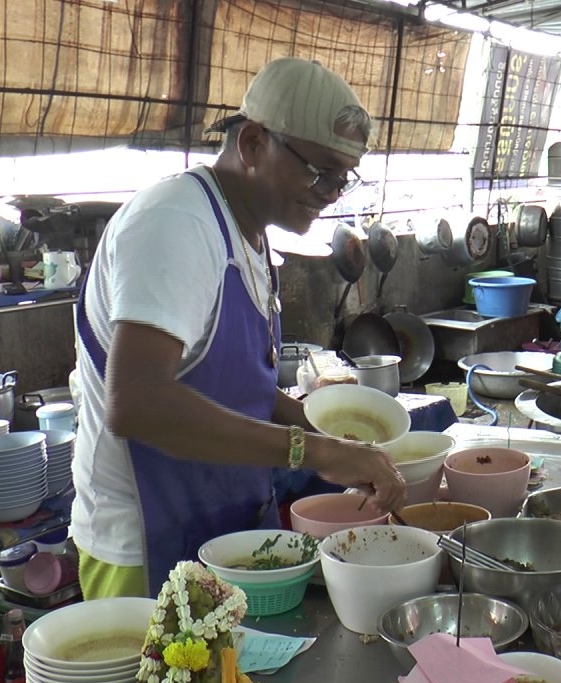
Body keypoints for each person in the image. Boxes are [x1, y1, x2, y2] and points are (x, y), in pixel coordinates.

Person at [71, 57, 406, 599]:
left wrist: (329, 436)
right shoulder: (176, 223)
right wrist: (313, 452)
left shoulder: (247, 230)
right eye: (319, 172)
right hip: (148, 546)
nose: (329, 193)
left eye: (342, 179)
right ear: (252, 144)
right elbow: (137, 403)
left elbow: (236, 385)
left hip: (219, 526)